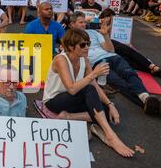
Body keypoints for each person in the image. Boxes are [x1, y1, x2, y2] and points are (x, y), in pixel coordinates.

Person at [42, 28, 134, 158]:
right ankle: (111, 136)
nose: (87, 48)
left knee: (106, 112)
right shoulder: (61, 60)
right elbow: (72, 89)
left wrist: (110, 104)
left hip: (74, 99)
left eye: (88, 44)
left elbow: (95, 84)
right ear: (70, 46)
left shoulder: (84, 60)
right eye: (82, 45)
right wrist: (94, 74)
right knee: (89, 91)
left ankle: (68, 117)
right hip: (54, 101)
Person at [70, 9, 161, 117]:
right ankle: (149, 102)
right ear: (72, 24)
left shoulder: (94, 32)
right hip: (97, 64)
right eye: (81, 22)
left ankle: (146, 99)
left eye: (85, 22)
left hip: (112, 57)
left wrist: (106, 35)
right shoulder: (69, 38)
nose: (84, 24)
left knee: (129, 73)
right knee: (119, 83)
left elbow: (111, 50)